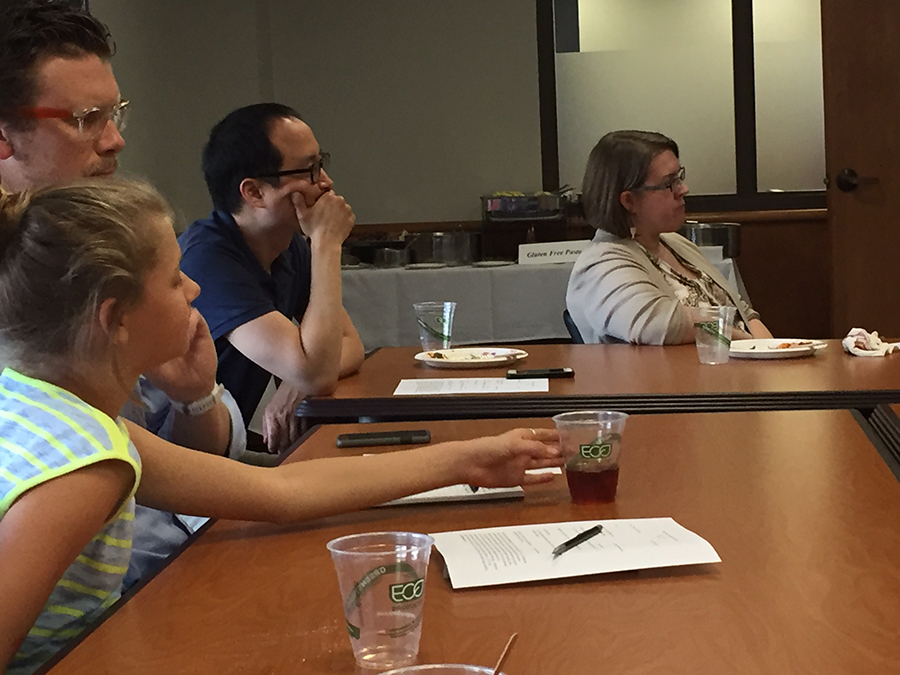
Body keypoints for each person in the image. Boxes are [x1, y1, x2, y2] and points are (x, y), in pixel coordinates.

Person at [0, 179, 562, 675]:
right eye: (174, 280)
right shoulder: (86, 462)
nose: (194, 291)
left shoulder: (55, 409)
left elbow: (279, 490)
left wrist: (468, 459)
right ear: (115, 318)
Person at [0, 0, 247, 586]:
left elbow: (197, 467)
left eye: (115, 115)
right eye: (85, 118)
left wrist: (194, 399)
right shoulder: (35, 287)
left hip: (185, 562)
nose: (114, 141)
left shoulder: (104, 247)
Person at [179, 103, 364, 452]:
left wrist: (298, 382)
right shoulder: (207, 259)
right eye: (308, 170)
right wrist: (326, 243)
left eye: (321, 164)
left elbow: (350, 344)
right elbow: (317, 374)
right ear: (254, 192)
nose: (325, 183)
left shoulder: (287, 247)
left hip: (225, 449)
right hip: (175, 467)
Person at [566, 130, 773, 345]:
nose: (683, 189)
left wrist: (771, 353)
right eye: (669, 183)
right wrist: (744, 341)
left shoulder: (675, 242)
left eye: (680, 177)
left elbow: (743, 312)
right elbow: (656, 324)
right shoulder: (601, 264)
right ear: (629, 201)